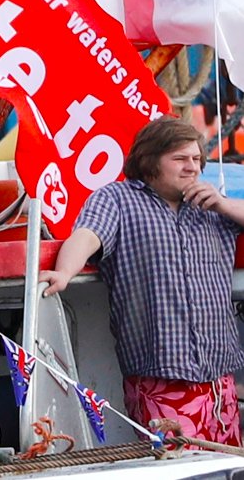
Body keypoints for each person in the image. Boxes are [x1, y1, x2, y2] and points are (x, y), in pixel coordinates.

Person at [44, 116, 244, 444]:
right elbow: (87, 235)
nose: (192, 167)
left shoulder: (214, 206)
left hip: (220, 382)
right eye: (179, 159)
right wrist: (65, 272)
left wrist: (224, 204)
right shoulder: (117, 199)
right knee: (171, 471)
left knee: (225, 470)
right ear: (149, 162)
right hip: (159, 381)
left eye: (196, 159)